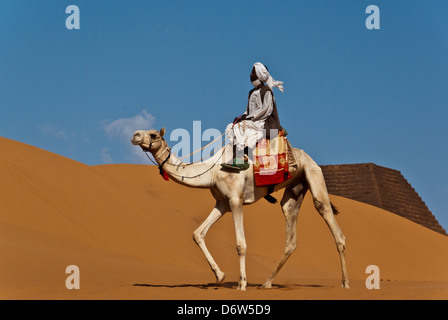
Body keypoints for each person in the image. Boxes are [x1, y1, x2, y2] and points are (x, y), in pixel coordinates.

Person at [222, 62, 285, 170]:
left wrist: (249, 118)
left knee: (239, 127)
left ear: (259, 75)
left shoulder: (267, 91)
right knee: (230, 127)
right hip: (252, 121)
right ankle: (239, 155)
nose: (250, 75)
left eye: (253, 72)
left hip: (262, 122)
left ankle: (240, 158)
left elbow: (265, 110)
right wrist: (242, 117)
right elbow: (248, 111)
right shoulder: (251, 92)